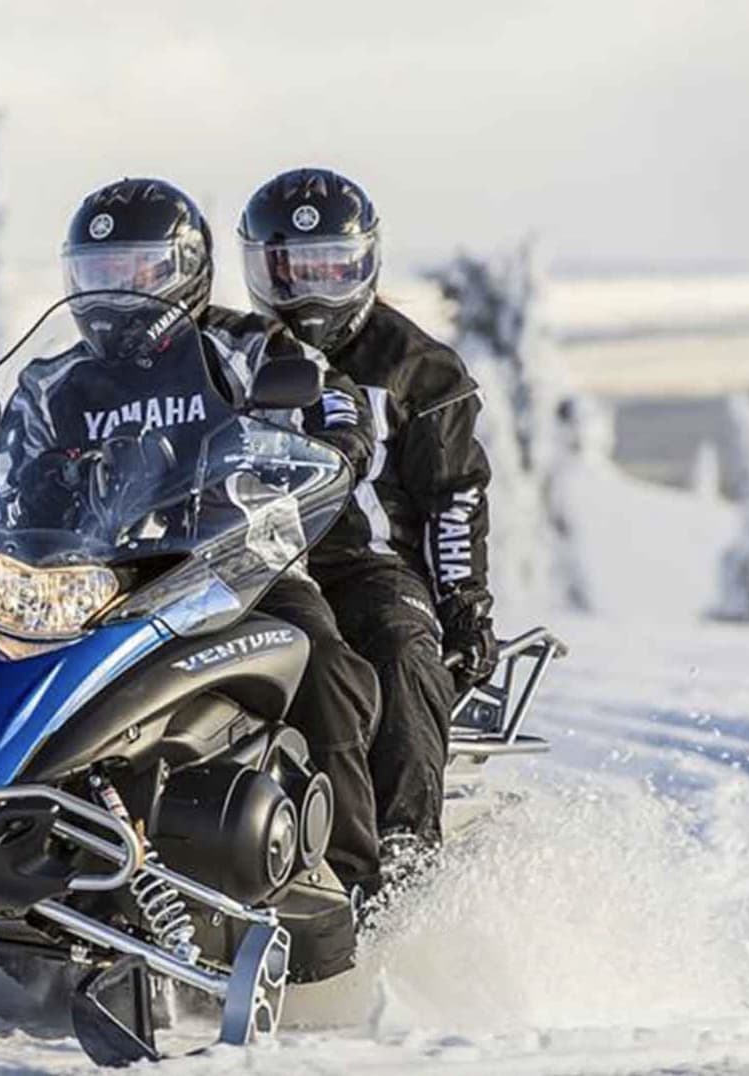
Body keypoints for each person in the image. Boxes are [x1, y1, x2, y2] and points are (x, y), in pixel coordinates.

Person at [0, 176, 388, 897]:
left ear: (187, 272)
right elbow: (4, 483)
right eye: (100, 274)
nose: (117, 293)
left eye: (139, 271)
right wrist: (52, 484)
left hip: (239, 572)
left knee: (323, 664)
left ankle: (354, 883)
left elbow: (337, 406)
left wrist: (328, 446)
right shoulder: (53, 384)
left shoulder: (249, 348)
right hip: (91, 587)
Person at [237, 167, 498, 860]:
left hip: (369, 564)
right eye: (292, 269)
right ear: (262, 270)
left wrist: (464, 602)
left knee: (400, 651)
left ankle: (405, 848)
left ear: (365, 263)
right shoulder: (234, 354)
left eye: (332, 266)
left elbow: (454, 494)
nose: (312, 290)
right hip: (250, 559)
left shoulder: (419, 367)